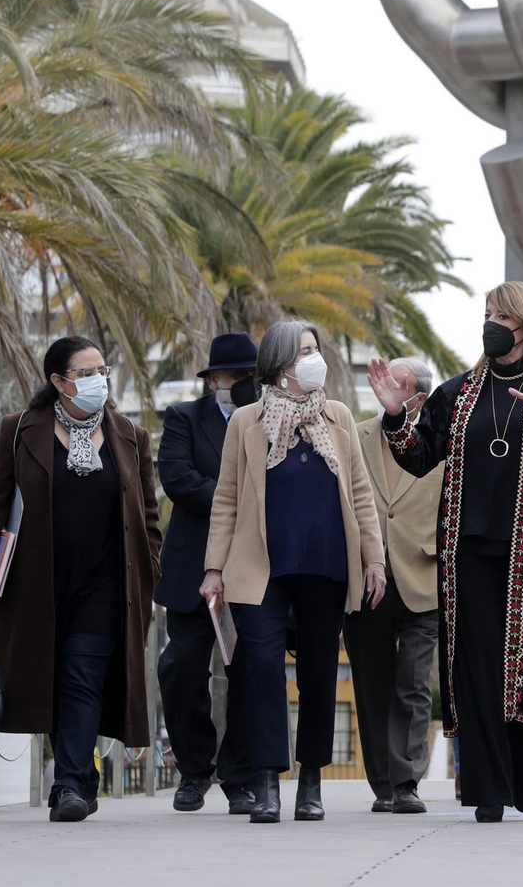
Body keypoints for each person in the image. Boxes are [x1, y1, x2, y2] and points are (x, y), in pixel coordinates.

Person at [367, 281, 523, 823]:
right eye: (487, 313)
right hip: (465, 551)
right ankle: (485, 789)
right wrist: (396, 416)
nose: (491, 322)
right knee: (476, 668)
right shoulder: (458, 392)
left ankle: (519, 770)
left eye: (502, 314)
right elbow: (420, 457)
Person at [0, 336, 162, 822]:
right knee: (52, 680)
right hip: (37, 587)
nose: (99, 379)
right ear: (58, 381)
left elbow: (149, 516)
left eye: (103, 369)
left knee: (82, 676)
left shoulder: (130, 436)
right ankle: (81, 779)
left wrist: (149, 569)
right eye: (86, 372)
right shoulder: (19, 431)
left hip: (106, 584)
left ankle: (70, 784)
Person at [202, 321, 387, 824]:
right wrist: (214, 567)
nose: (315, 358)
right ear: (282, 363)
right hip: (260, 568)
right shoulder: (247, 420)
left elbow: (362, 494)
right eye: (305, 351)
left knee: (319, 674)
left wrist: (374, 559)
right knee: (261, 670)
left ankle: (310, 780)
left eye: (316, 349)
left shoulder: (339, 416)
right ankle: (266, 783)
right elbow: (226, 498)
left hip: (326, 566)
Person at [155, 332, 259, 816]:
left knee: (248, 673)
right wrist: (236, 494)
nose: (240, 384)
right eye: (232, 375)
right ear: (214, 378)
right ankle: (195, 769)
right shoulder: (183, 418)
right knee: (180, 668)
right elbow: (176, 478)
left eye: (248, 376)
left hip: (253, 568)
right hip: (193, 568)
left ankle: (239, 775)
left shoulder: (267, 420)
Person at [346, 357, 443, 815]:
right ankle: (382, 781)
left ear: (419, 398)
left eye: (395, 382)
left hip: (423, 576)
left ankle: (407, 783)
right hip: (367, 579)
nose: (383, 386)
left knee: (413, 682)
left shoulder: (440, 441)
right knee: (372, 683)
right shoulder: (355, 434)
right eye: (381, 380)